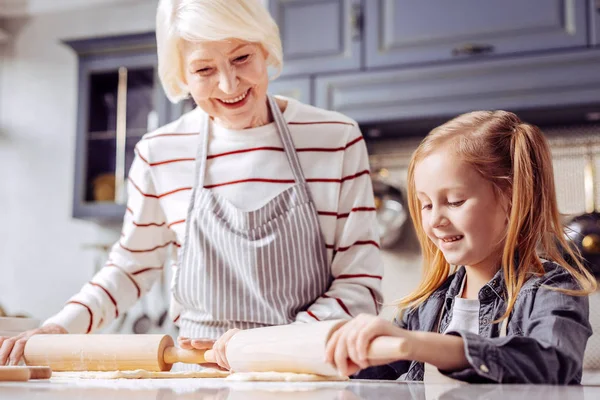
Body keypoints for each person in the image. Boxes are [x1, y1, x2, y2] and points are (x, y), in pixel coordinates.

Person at [0, 0, 383, 369]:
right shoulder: (160, 153)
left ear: (266, 49)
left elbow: (360, 284)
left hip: (304, 370)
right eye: (204, 70)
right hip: (200, 373)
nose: (229, 83)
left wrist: (272, 347)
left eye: (241, 58)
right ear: (181, 76)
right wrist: (57, 329)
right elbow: (131, 267)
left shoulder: (335, 137)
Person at [324, 110, 597, 384]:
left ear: (513, 200)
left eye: (454, 201)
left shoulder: (553, 289)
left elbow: (552, 363)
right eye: (426, 205)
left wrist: (419, 344)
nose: (435, 220)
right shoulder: (427, 305)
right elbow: (367, 378)